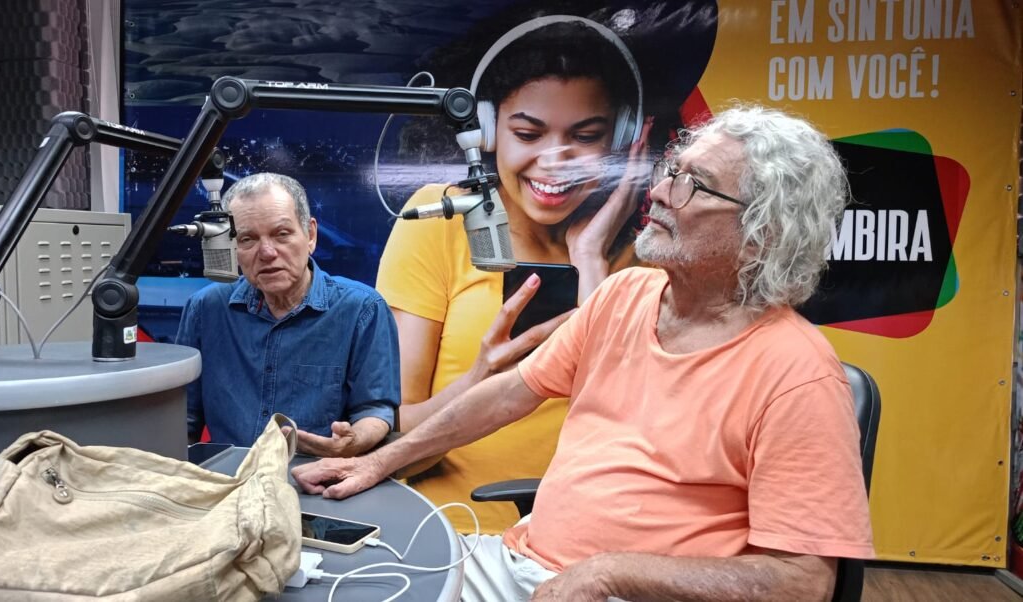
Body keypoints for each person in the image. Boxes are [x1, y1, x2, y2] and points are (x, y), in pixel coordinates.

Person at [295, 105, 874, 601]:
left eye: (693, 185)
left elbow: (801, 583)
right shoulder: (624, 294)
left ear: (761, 234)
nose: (659, 192)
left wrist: (607, 572)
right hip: (523, 567)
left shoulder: (797, 375)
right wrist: (381, 460)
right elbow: (507, 394)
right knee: (347, 577)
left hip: (621, 593)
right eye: (671, 171)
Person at [376, 16, 652, 534]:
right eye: (528, 133)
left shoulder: (646, 256)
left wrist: (589, 259)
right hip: (452, 535)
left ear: (624, 137)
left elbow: (623, 436)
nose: (555, 161)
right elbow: (392, 446)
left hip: (587, 543)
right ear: (486, 130)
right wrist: (484, 377)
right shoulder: (443, 219)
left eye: (586, 136)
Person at [177, 173, 400, 457]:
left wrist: (353, 441)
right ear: (233, 246)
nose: (267, 252)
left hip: (316, 480)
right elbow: (184, 419)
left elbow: (376, 409)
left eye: (282, 234)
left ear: (311, 235)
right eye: (247, 239)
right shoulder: (205, 309)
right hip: (228, 480)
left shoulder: (362, 310)